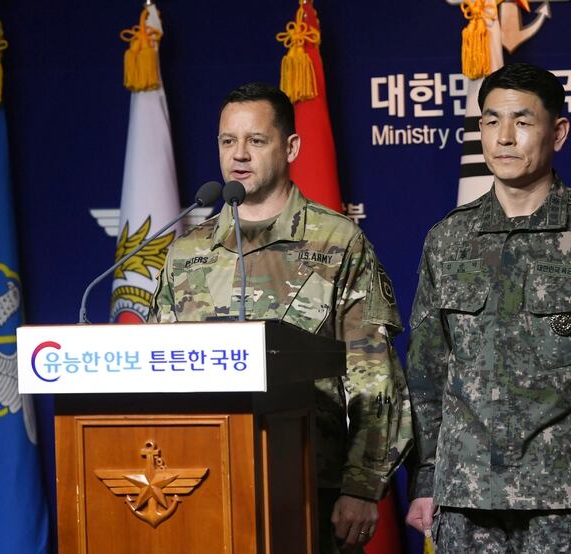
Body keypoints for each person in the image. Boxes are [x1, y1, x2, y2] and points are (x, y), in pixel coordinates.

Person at [404, 63, 571, 552]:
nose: (504, 137)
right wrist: (424, 480)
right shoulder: (447, 239)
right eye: (491, 121)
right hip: (465, 497)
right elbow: (427, 373)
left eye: (522, 122)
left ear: (559, 132)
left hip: (567, 498)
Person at [148, 82, 412, 552]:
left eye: (256, 140)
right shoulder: (188, 250)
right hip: (198, 486)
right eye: (228, 141)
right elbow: (155, 367)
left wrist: (361, 486)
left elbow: (372, 375)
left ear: (290, 146)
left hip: (309, 487)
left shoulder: (337, 242)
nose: (239, 154)